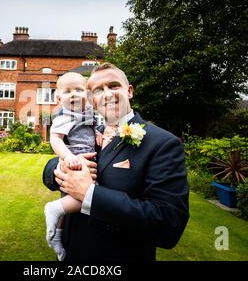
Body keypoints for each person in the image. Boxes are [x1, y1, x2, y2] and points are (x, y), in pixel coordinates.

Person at [42, 63, 190, 261]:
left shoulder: (162, 143)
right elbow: (53, 162)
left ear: (129, 91)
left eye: (113, 86)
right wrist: (58, 169)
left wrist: (89, 194)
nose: (107, 94)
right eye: (98, 90)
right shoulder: (89, 133)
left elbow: (167, 224)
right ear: (91, 100)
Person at [44, 72, 102, 261]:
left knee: (68, 200)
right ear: (59, 99)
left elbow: (89, 128)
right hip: (76, 160)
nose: (74, 95)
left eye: (78, 90)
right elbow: (55, 139)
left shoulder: (86, 113)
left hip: (81, 156)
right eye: (68, 92)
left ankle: (58, 238)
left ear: (86, 93)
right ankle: (54, 209)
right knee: (90, 193)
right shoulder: (64, 116)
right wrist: (68, 157)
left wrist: (97, 135)